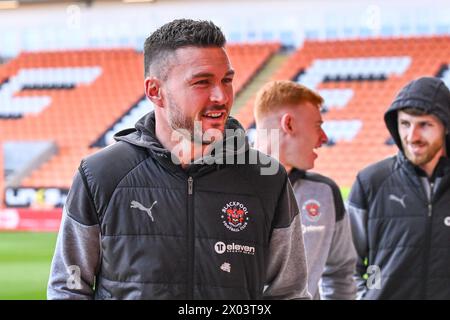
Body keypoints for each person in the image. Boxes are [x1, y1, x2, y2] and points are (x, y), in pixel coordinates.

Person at [47, 19, 310, 300]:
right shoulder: (100, 174)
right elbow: (68, 289)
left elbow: (289, 292)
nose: (221, 96)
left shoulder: (267, 178)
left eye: (227, 80)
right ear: (154, 91)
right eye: (202, 82)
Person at [347, 76, 450, 299]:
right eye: (405, 124)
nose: (412, 136)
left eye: (425, 125)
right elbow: (345, 264)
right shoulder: (371, 181)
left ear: (446, 127)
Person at [253, 80, 357, 300]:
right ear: (289, 124)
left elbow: (341, 272)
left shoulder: (325, 192)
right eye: (318, 125)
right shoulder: (223, 187)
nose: (324, 138)